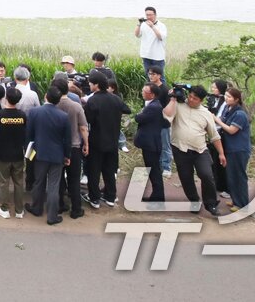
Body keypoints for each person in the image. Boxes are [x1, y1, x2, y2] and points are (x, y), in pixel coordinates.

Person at [162, 84, 226, 216]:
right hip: (180, 149)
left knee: (207, 175)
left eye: (195, 98)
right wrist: (173, 99)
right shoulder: (179, 106)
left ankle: (211, 204)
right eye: (190, 96)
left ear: (201, 100)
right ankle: (194, 201)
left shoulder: (206, 114)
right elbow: (166, 115)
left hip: (200, 151)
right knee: (186, 178)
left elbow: (214, 136)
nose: (191, 100)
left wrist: (221, 153)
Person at [25, 87, 71, 225]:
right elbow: (67, 139)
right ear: (58, 101)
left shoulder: (34, 112)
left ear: (45, 96)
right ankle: (52, 216)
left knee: (39, 182)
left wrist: (29, 149)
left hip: (39, 153)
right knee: (53, 186)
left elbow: (29, 134)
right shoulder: (63, 116)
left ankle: (36, 208)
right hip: (57, 155)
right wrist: (67, 155)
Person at [84, 72, 131, 208]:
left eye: (91, 84)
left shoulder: (93, 101)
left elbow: (88, 120)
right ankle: (110, 196)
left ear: (96, 85)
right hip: (112, 141)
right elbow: (126, 109)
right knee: (110, 170)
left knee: (94, 171)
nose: (89, 85)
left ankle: (94, 198)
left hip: (96, 141)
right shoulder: (115, 99)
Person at [51, 74, 88, 217]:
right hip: (74, 146)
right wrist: (86, 143)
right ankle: (76, 209)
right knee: (74, 179)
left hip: (57, 147)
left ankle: (60, 205)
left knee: (58, 178)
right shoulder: (76, 106)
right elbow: (83, 127)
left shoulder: (52, 106)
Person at [0, 86, 29, 219]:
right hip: (18, 154)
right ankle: (19, 210)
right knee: (18, 182)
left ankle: (5, 209)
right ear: (18, 100)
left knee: (4, 182)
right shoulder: (22, 116)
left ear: (6, 98)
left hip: (3, 155)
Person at [215, 87, 252, 210]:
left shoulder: (240, 114)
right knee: (231, 175)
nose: (226, 98)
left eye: (229, 97)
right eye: (225, 95)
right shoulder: (228, 109)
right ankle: (236, 199)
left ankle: (242, 203)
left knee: (239, 176)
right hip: (231, 148)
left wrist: (217, 121)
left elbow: (231, 130)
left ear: (236, 99)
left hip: (239, 149)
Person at [133, 82, 170, 204]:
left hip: (151, 144)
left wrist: (139, 114)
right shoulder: (153, 105)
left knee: (154, 171)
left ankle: (158, 197)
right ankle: (156, 195)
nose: (142, 93)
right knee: (153, 170)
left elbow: (139, 118)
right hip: (151, 143)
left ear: (152, 94)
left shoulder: (154, 107)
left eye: (145, 91)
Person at [148, 65, 173, 178]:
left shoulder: (165, 89)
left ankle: (167, 167)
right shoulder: (148, 87)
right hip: (151, 122)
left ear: (159, 75)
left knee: (165, 145)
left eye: (153, 74)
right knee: (153, 145)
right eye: (149, 74)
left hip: (163, 121)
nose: (151, 76)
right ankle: (156, 166)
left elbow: (169, 107)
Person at [206, 79, 229, 196]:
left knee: (220, 161)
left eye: (214, 87)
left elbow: (219, 118)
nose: (212, 89)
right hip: (213, 132)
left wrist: (210, 116)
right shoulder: (215, 100)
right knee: (213, 160)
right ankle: (216, 183)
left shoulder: (225, 102)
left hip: (220, 133)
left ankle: (223, 185)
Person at [135, 6, 167, 77]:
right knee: (149, 77)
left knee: (160, 77)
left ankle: (163, 88)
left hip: (158, 57)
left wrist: (152, 27)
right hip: (146, 55)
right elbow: (137, 35)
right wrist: (139, 24)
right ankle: (151, 88)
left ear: (155, 15)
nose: (148, 17)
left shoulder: (162, 26)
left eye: (150, 15)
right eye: (147, 15)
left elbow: (160, 37)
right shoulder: (143, 25)